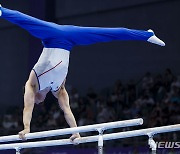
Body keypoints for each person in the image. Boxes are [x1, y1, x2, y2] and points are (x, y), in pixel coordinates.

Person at [0, 5, 165, 141]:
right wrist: (76, 131)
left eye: (35, 101)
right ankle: (147, 35)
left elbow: (27, 108)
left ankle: (2, 10)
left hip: (51, 35)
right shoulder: (59, 91)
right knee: (107, 34)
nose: (37, 103)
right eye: (38, 103)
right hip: (69, 40)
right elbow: (67, 110)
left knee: (29, 22)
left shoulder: (31, 85)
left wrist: (27, 128)